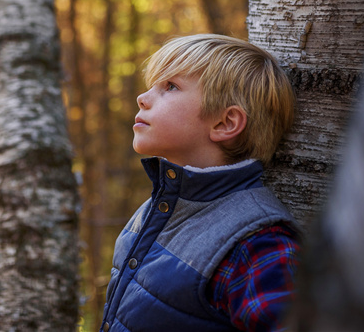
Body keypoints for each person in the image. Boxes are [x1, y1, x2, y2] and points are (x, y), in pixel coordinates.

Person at [100, 34, 301, 332]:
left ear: (225, 123)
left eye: (170, 87)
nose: (143, 97)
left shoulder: (257, 243)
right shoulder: (159, 207)